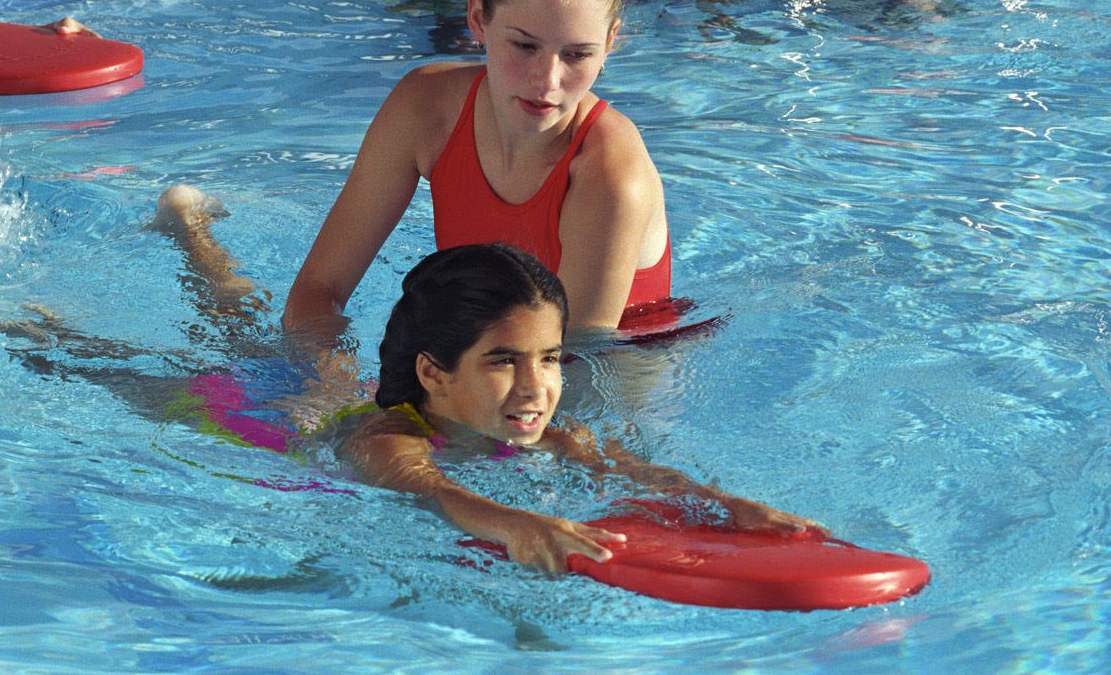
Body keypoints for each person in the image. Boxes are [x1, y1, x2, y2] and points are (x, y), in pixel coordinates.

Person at [281, 0, 670, 339]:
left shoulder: (610, 173)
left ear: (610, 43)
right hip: (488, 358)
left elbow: (573, 374)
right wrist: (327, 381)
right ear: (478, 19)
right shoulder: (425, 109)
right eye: (524, 47)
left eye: (578, 54)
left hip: (615, 368)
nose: (547, 81)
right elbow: (318, 290)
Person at [343, 243, 818, 572]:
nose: (535, 390)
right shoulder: (387, 439)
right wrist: (518, 525)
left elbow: (631, 471)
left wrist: (727, 505)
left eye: (548, 359)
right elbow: (427, 489)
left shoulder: (560, 436)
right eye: (504, 361)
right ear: (433, 375)